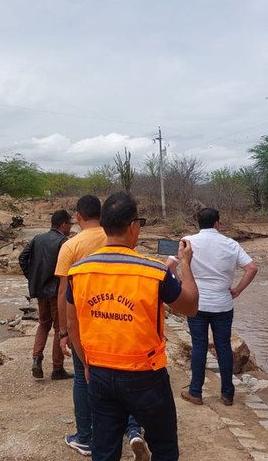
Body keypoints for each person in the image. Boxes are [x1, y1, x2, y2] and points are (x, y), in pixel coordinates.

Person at [66, 192, 199, 461]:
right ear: (134, 226)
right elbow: (191, 306)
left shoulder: (79, 271)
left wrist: (87, 363)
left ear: (104, 225)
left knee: (104, 451)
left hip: (100, 374)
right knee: (163, 448)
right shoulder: (153, 271)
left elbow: (72, 323)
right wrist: (184, 263)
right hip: (146, 376)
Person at [55, 195, 149, 459]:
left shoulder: (71, 246)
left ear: (78, 217)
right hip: (121, 317)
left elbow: (64, 291)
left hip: (85, 326)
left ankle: (85, 437)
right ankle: (132, 430)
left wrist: (63, 332)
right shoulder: (119, 237)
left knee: (84, 381)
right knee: (126, 374)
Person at [179, 207, 258, 406]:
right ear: (217, 223)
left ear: (198, 223)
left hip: (196, 303)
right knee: (223, 346)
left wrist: (182, 285)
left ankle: (195, 392)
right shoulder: (231, 244)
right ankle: (227, 394)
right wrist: (238, 289)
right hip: (222, 303)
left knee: (199, 345)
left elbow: (169, 265)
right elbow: (251, 268)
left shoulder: (188, 241)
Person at [18, 209, 74, 380]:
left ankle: (37, 359)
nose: (71, 227)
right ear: (63, 224)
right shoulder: (64, 242)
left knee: (43, 324)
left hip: (40, 290)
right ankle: (57, 368)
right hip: (57, 291)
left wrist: (32, 277)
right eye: (69, 224)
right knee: (59, 328)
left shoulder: (37, 239)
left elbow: (22, 258)